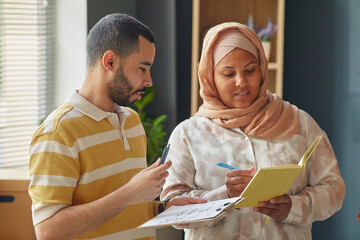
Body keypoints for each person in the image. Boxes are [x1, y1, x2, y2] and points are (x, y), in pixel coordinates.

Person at [28, 13, 205, 240]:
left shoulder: (131, 122)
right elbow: (49, 231)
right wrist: (130, 193)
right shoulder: (57, 133)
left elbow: (124, 211)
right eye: (143, 68)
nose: (149, 80)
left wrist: (163, 208)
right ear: (110, 61)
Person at [161, 22, 346, 239]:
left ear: (261, 70)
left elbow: (334, 189)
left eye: (250, 70)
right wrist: (224, 196)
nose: (241, 82)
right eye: (228, 74)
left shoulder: (298, 122)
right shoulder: (188, 134)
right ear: (210, 77)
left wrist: (293, 207)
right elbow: (172, 210)